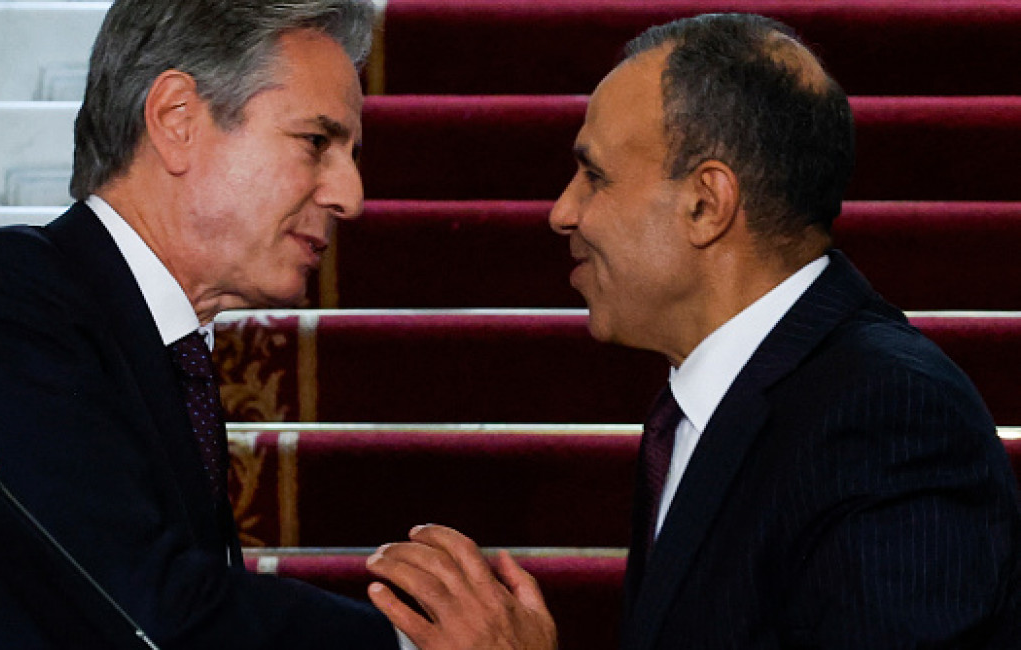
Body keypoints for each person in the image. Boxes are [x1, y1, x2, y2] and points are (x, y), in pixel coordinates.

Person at [365, 13, 1021, 649]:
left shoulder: (886, 420)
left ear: (706, 203)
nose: (562, 212)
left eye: (593, 175)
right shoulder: (719, 400)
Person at [0, 0, 402, 647]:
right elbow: (148, 607)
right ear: (177, 119)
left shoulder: (162, 346)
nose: (350, 195)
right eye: (316, 143)